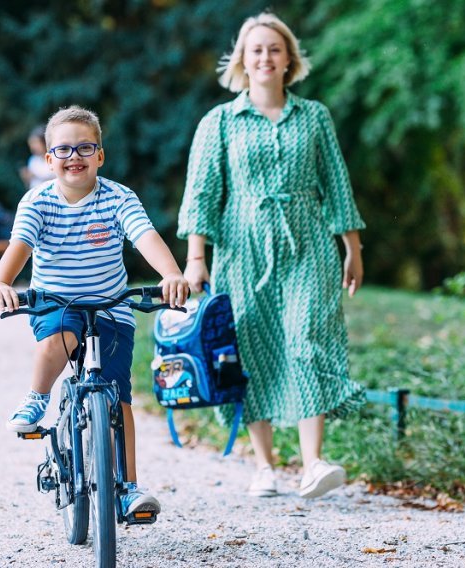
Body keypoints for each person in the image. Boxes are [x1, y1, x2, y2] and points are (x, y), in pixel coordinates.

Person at [177, 12, 367, 500]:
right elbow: (202, 194)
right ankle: (264, 465)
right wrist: (196, 258)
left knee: (306, 337)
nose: (265, 57)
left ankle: (312, 463)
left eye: (274, 49)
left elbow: (337, 186)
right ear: (242, 59)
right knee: (250, 350)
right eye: (255, 49)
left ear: (289, 60)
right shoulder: (218, 122)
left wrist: (352, 248)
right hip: (241, 246)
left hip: (307, 242)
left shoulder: (315, 117)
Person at [0, 105, 189, 518]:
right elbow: (20, 247)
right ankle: (36, 397)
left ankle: (128, 487)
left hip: (111, 307)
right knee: (61, 338)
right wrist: (2, 282)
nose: (73, 156)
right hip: (56, 302)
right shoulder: (38, 202)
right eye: (62, 150)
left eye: (84, 147)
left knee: (120, 399)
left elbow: (145, 235)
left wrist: (171, 273)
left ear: (100, 155)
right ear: (48, 160)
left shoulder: (118, 198)